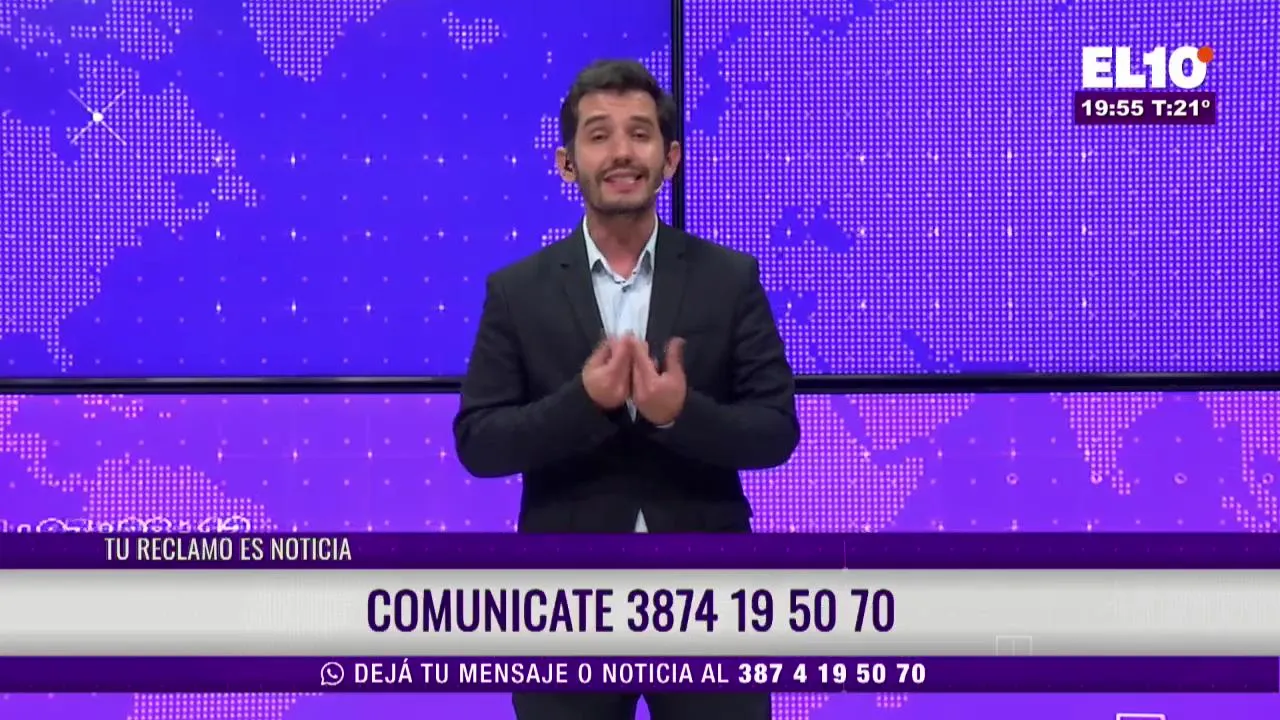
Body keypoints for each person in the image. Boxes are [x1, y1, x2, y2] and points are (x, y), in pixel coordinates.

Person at [453, 59, 799, 720]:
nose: (621, 152)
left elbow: (775, 430)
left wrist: (679, 414)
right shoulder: (517, 291)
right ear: (567, 163)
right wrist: (582, 403)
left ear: (670, 159)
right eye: (599, 135)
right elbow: (479, 442)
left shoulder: (730, 279)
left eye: (640, 134)